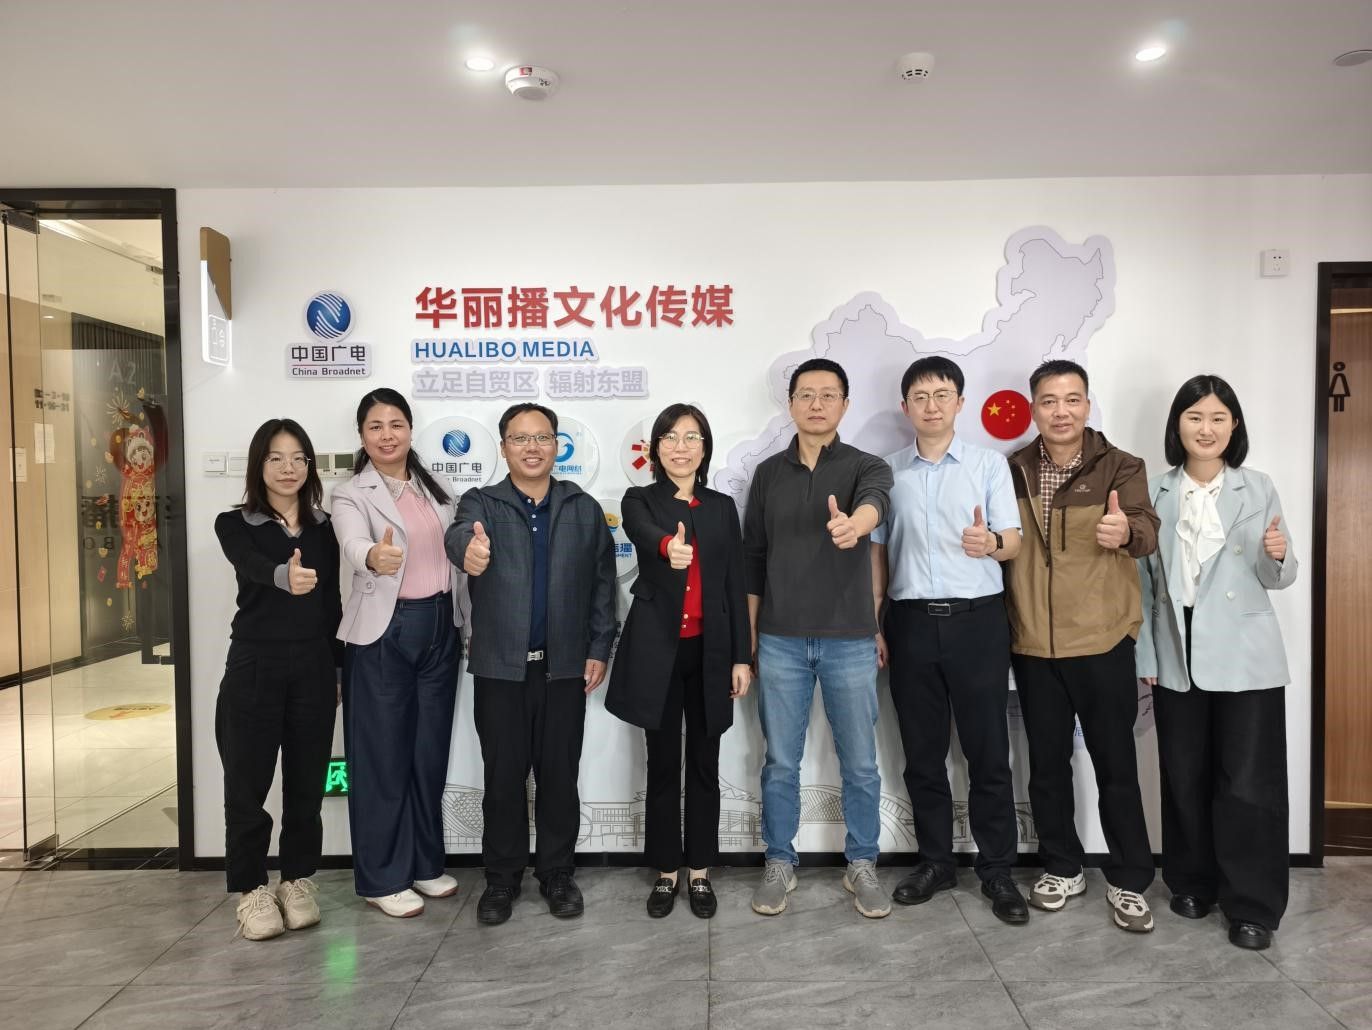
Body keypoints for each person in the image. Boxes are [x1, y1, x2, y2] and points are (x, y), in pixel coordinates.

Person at [1136, 374, 1297, 951]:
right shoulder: (1154, 491)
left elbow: (1279, 575)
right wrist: (1146, 652)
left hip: (1246, 653)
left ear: (1234, 427)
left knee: (1249, 782)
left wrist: (1278, 555)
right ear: (1178, 425)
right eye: (1195, 417)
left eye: (1218, 418)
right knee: (1184, 774)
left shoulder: (1258, 487)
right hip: (1176, 647)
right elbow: (1142, 584)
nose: (1206, 429)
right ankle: (1192, 882)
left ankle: (1252, 906)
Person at [1003, 359, 1161, 933]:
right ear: (1033, 409)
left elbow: (1146, 528)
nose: (1061, 411)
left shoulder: (1121, 465)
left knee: (1116, 765)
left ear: (1088, 405)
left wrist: (1127, 532)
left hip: (1102, 640)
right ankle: (1062, 867)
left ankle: (1129, 879)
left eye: (1072, 400)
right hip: (1034, 643)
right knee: (1046, 768)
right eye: (1049, 401)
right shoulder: (1014, 468)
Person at [870, 357, 1029, 925]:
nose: (931, 405)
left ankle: (997, 869)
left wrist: (991, 544)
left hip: (977, 622)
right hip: (910, 623)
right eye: (920, 396)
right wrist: (874, 622)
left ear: (960, 402)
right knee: (922, 754)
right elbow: (878, 553)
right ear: (905, 407)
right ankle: (935, 862)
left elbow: (1013, 540)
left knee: (988, 753)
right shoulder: (887, 472)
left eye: (942, 394)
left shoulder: (988, 465)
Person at [446, 403, 617, 926]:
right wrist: (469, 553)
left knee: (559, 777)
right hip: (500, 670)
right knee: (503, 778)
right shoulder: (482, 502)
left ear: (557, 445)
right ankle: (501, 879)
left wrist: (599, 647)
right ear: (503, 448)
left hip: (563, 668)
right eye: (520, 438)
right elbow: (458, 537)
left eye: (542, 437)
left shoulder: (582, 507)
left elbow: (603, 584)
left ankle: (557, 874)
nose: (532, 447)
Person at [744, 357, 894, 918]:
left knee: (860, 764)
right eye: (806, 394)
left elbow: (876, 503)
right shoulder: (768, 474)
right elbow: (753, 558)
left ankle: (862, 864)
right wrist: (750, 638)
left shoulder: (866, 466)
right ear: (790, 404)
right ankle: (779, 861)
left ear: (845, 405)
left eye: (828, 394)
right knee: (781, 763)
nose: (816, 404)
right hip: (779, 639)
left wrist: (855, 524)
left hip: (849, 638)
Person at [605, 403, 752, 919]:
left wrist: (741, 657)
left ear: (704, 448)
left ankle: (701, 871)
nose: (680, 447)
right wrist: (670, 546)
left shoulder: (721, 506)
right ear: (655, 448)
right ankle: (667, 870)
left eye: (691, 437)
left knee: (706, 765)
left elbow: (734, 584)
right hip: (658, 653)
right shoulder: (639, 499)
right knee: (663, 763)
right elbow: (643, 532)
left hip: (711, 653)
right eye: (670, 437)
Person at [331, 388, 465, 918]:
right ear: (362, 436)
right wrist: (373, 556)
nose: (387, 435)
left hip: (440, 627)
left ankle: (424, 864)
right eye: (375, 427)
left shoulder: (438, 487)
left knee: (427, 754)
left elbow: (457, 554)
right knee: (381, 758)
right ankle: (382, 877)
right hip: (384, 633)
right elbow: (351, 543)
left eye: (396, 425)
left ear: (410, 429)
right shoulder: (350, 493)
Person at [214, 418, 341, 940]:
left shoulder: (325, 527)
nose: (288, 468)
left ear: (309, 465)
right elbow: (248, 564)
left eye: (297, 458)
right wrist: (283, 576)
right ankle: (251, 889)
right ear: (258, 465)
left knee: (307, 785)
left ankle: (296, 880)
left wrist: (337, 668)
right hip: (255, 663)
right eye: (275, 458)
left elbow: (332, 603)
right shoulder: (233, 523)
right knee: (246, 784)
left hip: (314, 666)